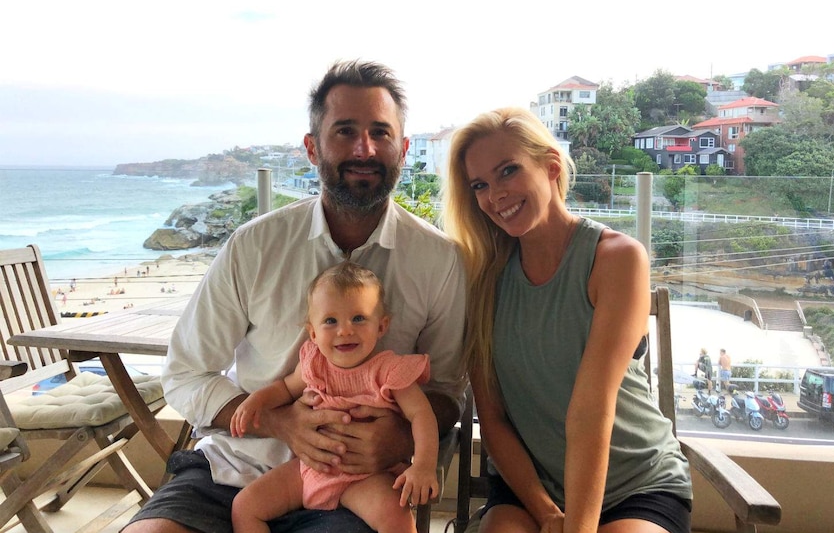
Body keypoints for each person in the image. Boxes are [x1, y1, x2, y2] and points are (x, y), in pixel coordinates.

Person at [124, 59, 467, 533]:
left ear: (403, 149)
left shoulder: (438, 259)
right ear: (312, 147)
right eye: (345, 131)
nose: (364, 149)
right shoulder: (254, 245)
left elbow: (447, 390)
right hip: (233, 470)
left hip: (355, 485)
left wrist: (398, 438)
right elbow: (185, 373)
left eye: (380, 133)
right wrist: (281, 422)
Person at [443, 107, 692, 533]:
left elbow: (590, 409)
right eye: (480, 185)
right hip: (529, 489)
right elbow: (495, 418)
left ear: (551, 167)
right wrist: (546, 513)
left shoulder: (616, 259)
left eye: (508, 171)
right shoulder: (482, 277)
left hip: (635, 483)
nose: (495, 195)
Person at [231, 261, 439, 533]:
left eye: (359, 318)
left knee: (396, 520)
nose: (345, 330)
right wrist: (256, 401)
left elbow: (421, 414)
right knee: (245, 507)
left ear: (381, 326)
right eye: (331, 321)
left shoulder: (389, 371)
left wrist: (423, 465)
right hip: (309, 468)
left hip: (366, 477)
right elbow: (284, 388)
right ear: (313, 332)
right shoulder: (313, 363)